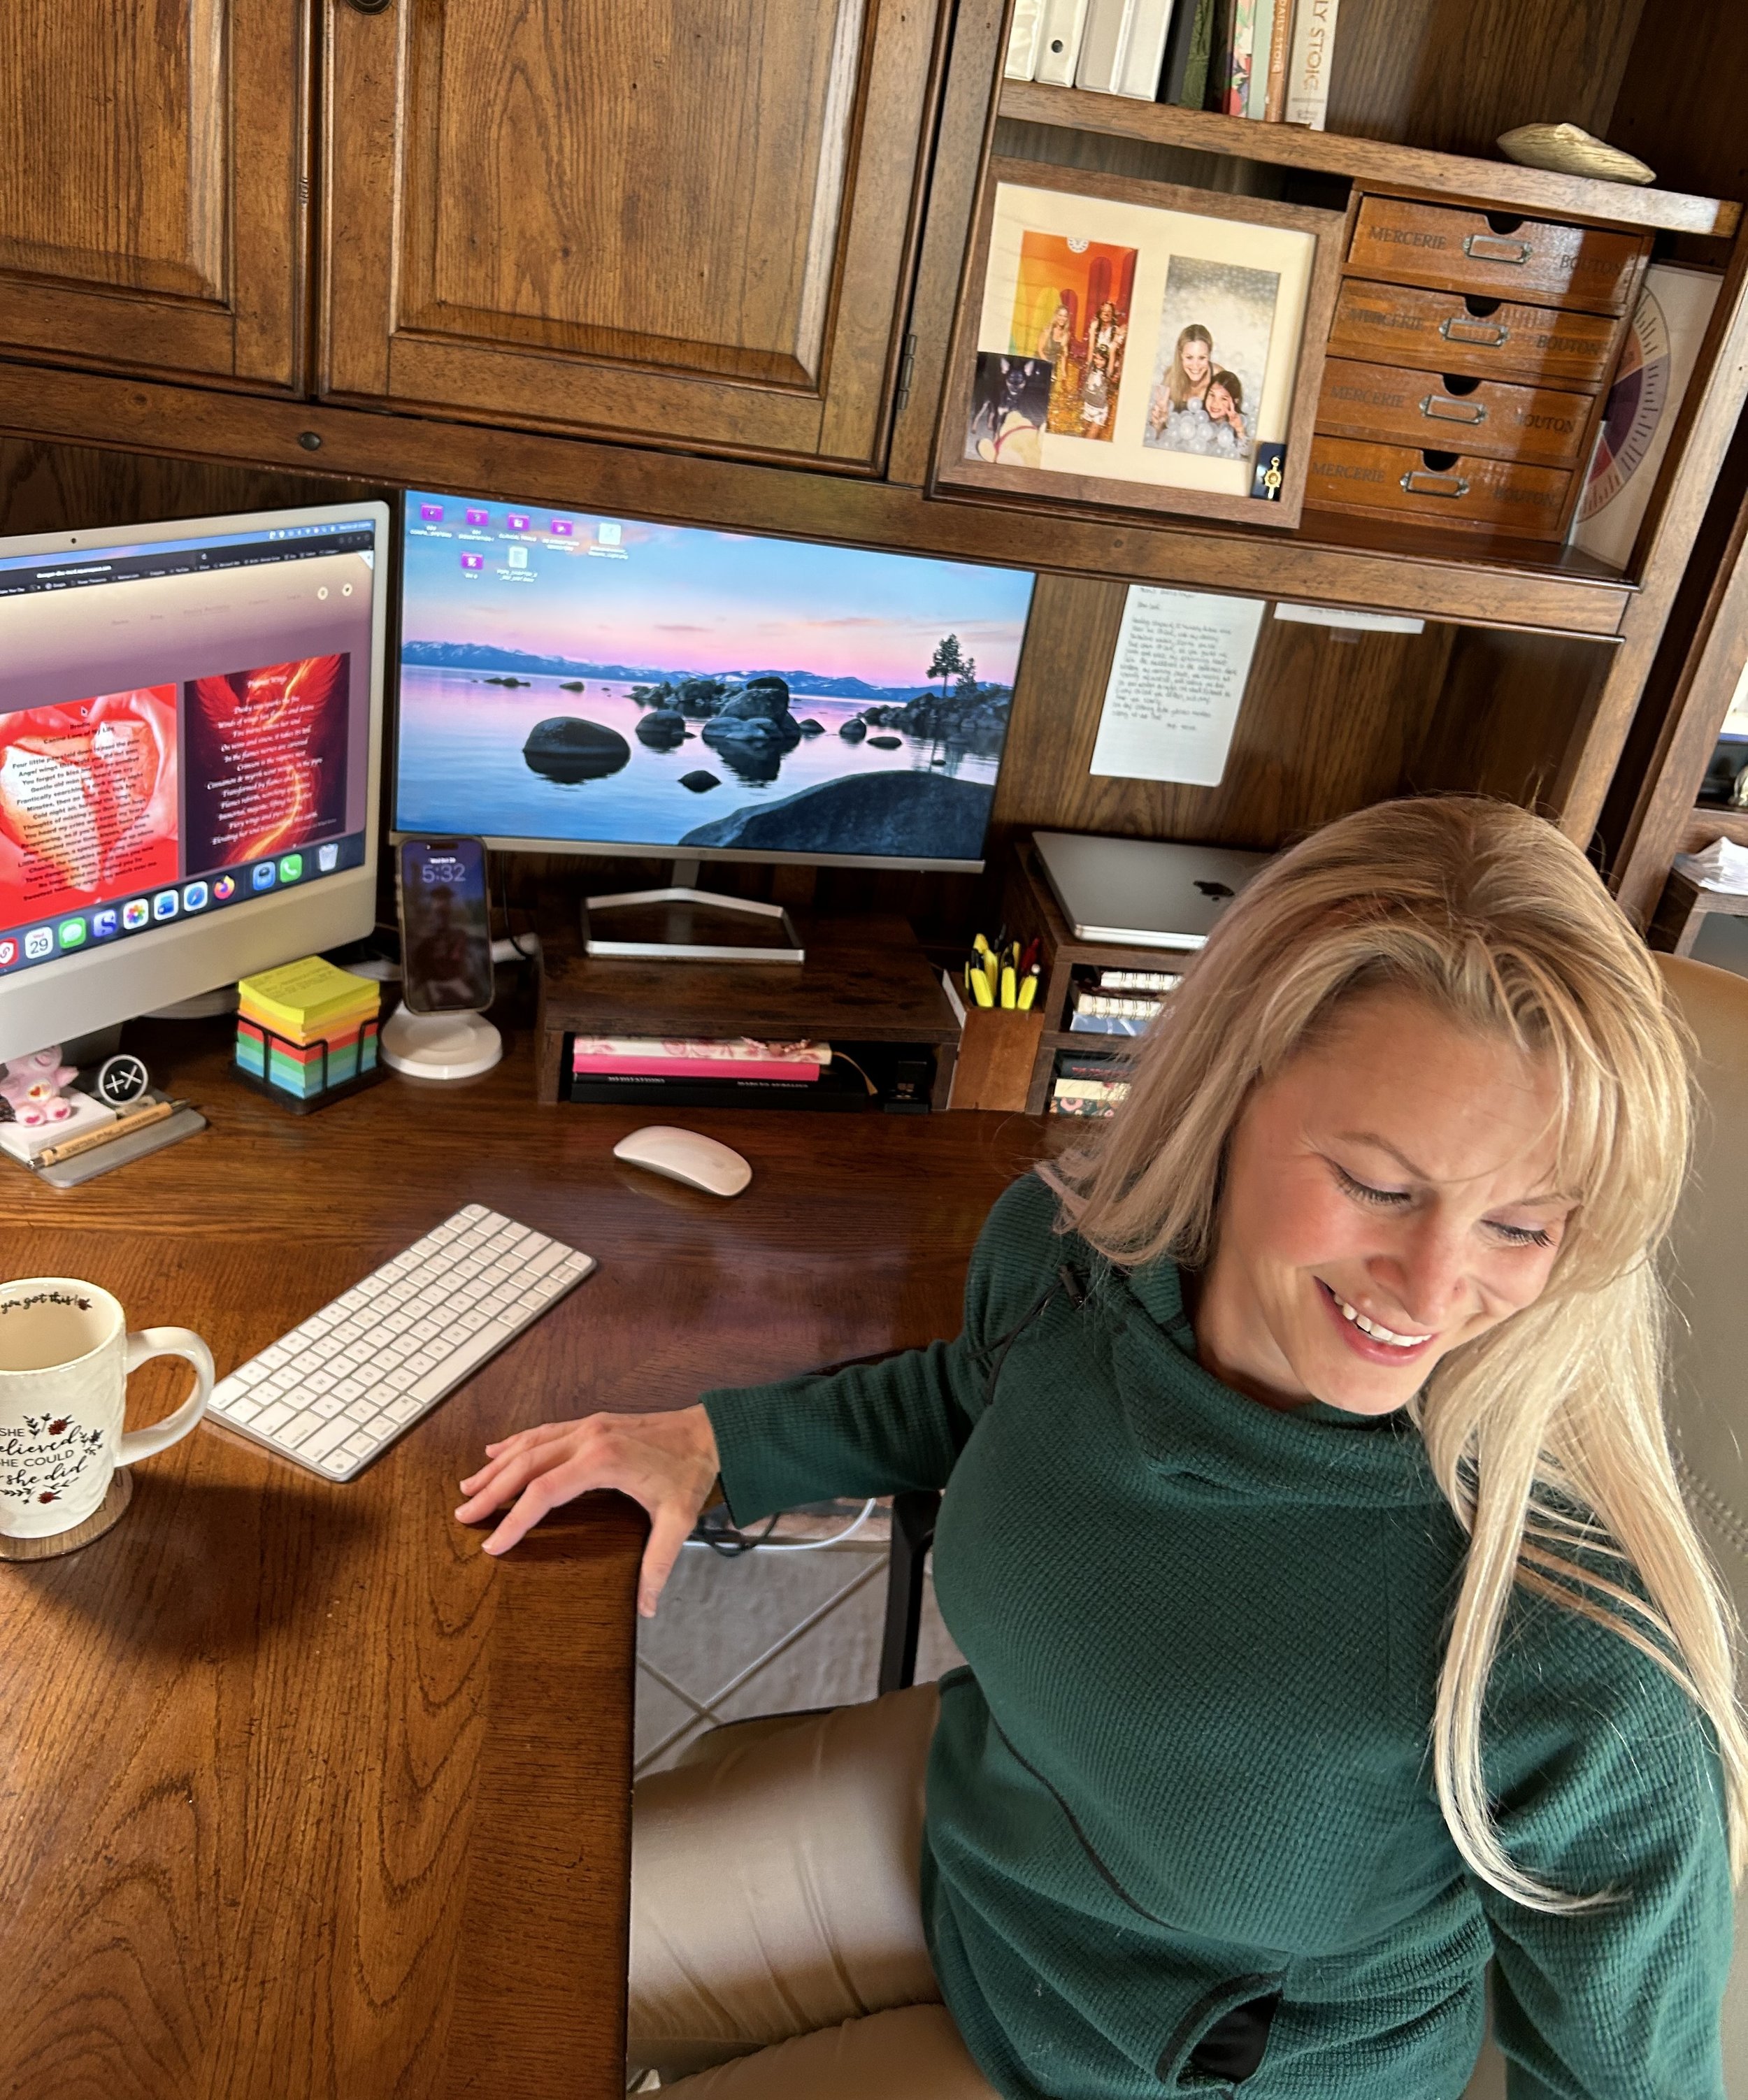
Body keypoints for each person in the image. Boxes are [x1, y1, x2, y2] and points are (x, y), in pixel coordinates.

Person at [455, 797, 1745, 2099]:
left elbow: (1634, 2082)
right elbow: (981, 1390)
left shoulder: (1574, 1661)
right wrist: (720, 1440)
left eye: (1521, 1227)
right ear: (1229, 1095)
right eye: (1379, 1183)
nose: (1429, 1284)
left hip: (1164, 2074)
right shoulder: (1070, 1260)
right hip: (978, 1855)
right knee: (472, 1961)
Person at [1147, 321, 1214, 445]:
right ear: (1180, 355)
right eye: (1189, 357)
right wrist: (1159, 423)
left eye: (1202, 358)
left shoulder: (1218, 379)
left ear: (1209, 355)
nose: (1196, 366)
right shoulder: (1170, 378)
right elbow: (1156, 436)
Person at [1204, 368, 1249, 456]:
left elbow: (1247, 455)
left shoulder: (1239, 426)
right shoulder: (1197, 418)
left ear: (1235, 401)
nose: (1215, 403)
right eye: (1212, 395)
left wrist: (1239, 429)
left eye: (1223, 399)